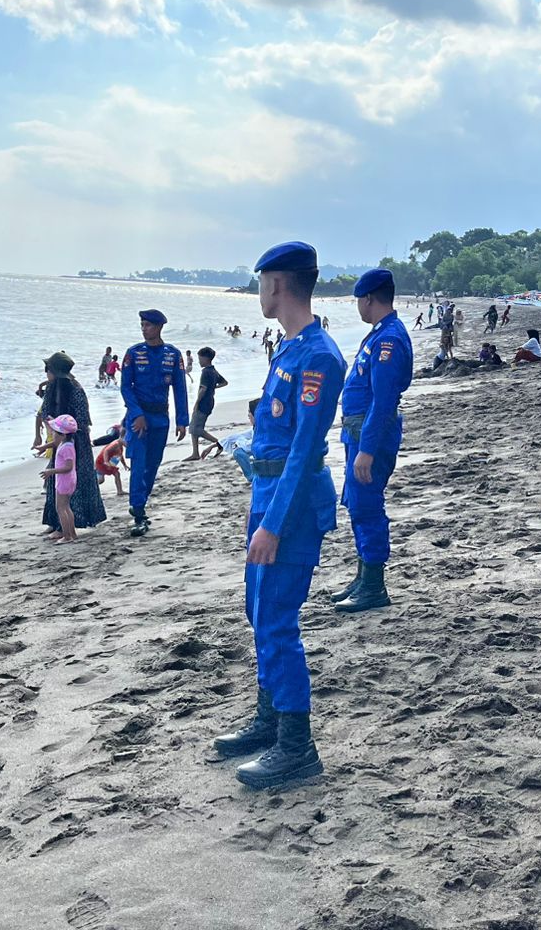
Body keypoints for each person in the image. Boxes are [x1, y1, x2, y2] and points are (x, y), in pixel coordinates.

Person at [212, 242, 344, 790]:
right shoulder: (289, 347)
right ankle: (269, 719)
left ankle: (297, 745)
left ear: (277, 284)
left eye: (261, 283)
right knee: (257, 608)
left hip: (290, 506)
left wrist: (273, 525)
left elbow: (304, 450)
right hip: (265, 494)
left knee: (276, 619)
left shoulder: (319, 357)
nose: (258, 293)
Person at [331, 268, 413, 614]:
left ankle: (374, 586)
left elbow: (383, 400)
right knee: (357, 504)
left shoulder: (388, 339)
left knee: (367, 506)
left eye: (358, 301)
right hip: (359, 431)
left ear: (368, 299)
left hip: (371, 434)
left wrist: (366, 450)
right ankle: (362, 576)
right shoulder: (380, 333)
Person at [120, 310, 189, 536]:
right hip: (139, 419)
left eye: (148, 325)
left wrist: (182, 420)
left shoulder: (173, 354)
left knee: (153, 465)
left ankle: (141, 502)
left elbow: (180, 388)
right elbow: (125, 387)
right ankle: (138, 511)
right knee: (138, 465)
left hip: (161, 418)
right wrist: (136, 414)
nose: (144, 329)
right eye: (142, 325)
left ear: (159, 327)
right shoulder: (133, 353)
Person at [35, 353, 107, 537]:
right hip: (64, 439)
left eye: (48, 369)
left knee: (70, 481)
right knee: (58, 481)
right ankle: (54, 522)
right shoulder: (57, 387)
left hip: (74, 442)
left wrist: (60, 429)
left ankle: (63, 527)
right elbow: (46, 411)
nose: (46, 373)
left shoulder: (72, 389)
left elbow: (80, 419)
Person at [40, 414, 81, 545]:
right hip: (68, 480)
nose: (52, 434)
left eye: (55, 432)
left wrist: (51, 471)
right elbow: (55, 443)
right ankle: (72, 533)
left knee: (61, 508)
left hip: (64, 481)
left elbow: (68, 467)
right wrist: (43, 447)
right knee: (66, 507)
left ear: (62, 435)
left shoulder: (66, 447)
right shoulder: (67, 443)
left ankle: (67, 536)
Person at [187, 347, 230, 460]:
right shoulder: (213, 370)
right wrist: (213, 387)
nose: (199, 361)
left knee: (196, 429)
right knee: (195, 426)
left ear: (206, 358)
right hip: (210, 401)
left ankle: (219, 443)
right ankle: (195, 453)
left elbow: (203, 389)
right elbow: (224, 382)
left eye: (200, 359)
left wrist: (197, 402)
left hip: (204, 402)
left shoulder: (206, 372)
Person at [94, 432, 127, 497]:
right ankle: (91, 488)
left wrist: (124, 465)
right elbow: (106, 451)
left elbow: (120, 456)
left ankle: (120, 491)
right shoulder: (115, 444)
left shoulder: (120, 446)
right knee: (101, 480)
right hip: (102, 462)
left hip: (110, 463)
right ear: (121, 438)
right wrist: (106, 461)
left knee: (117, 474)